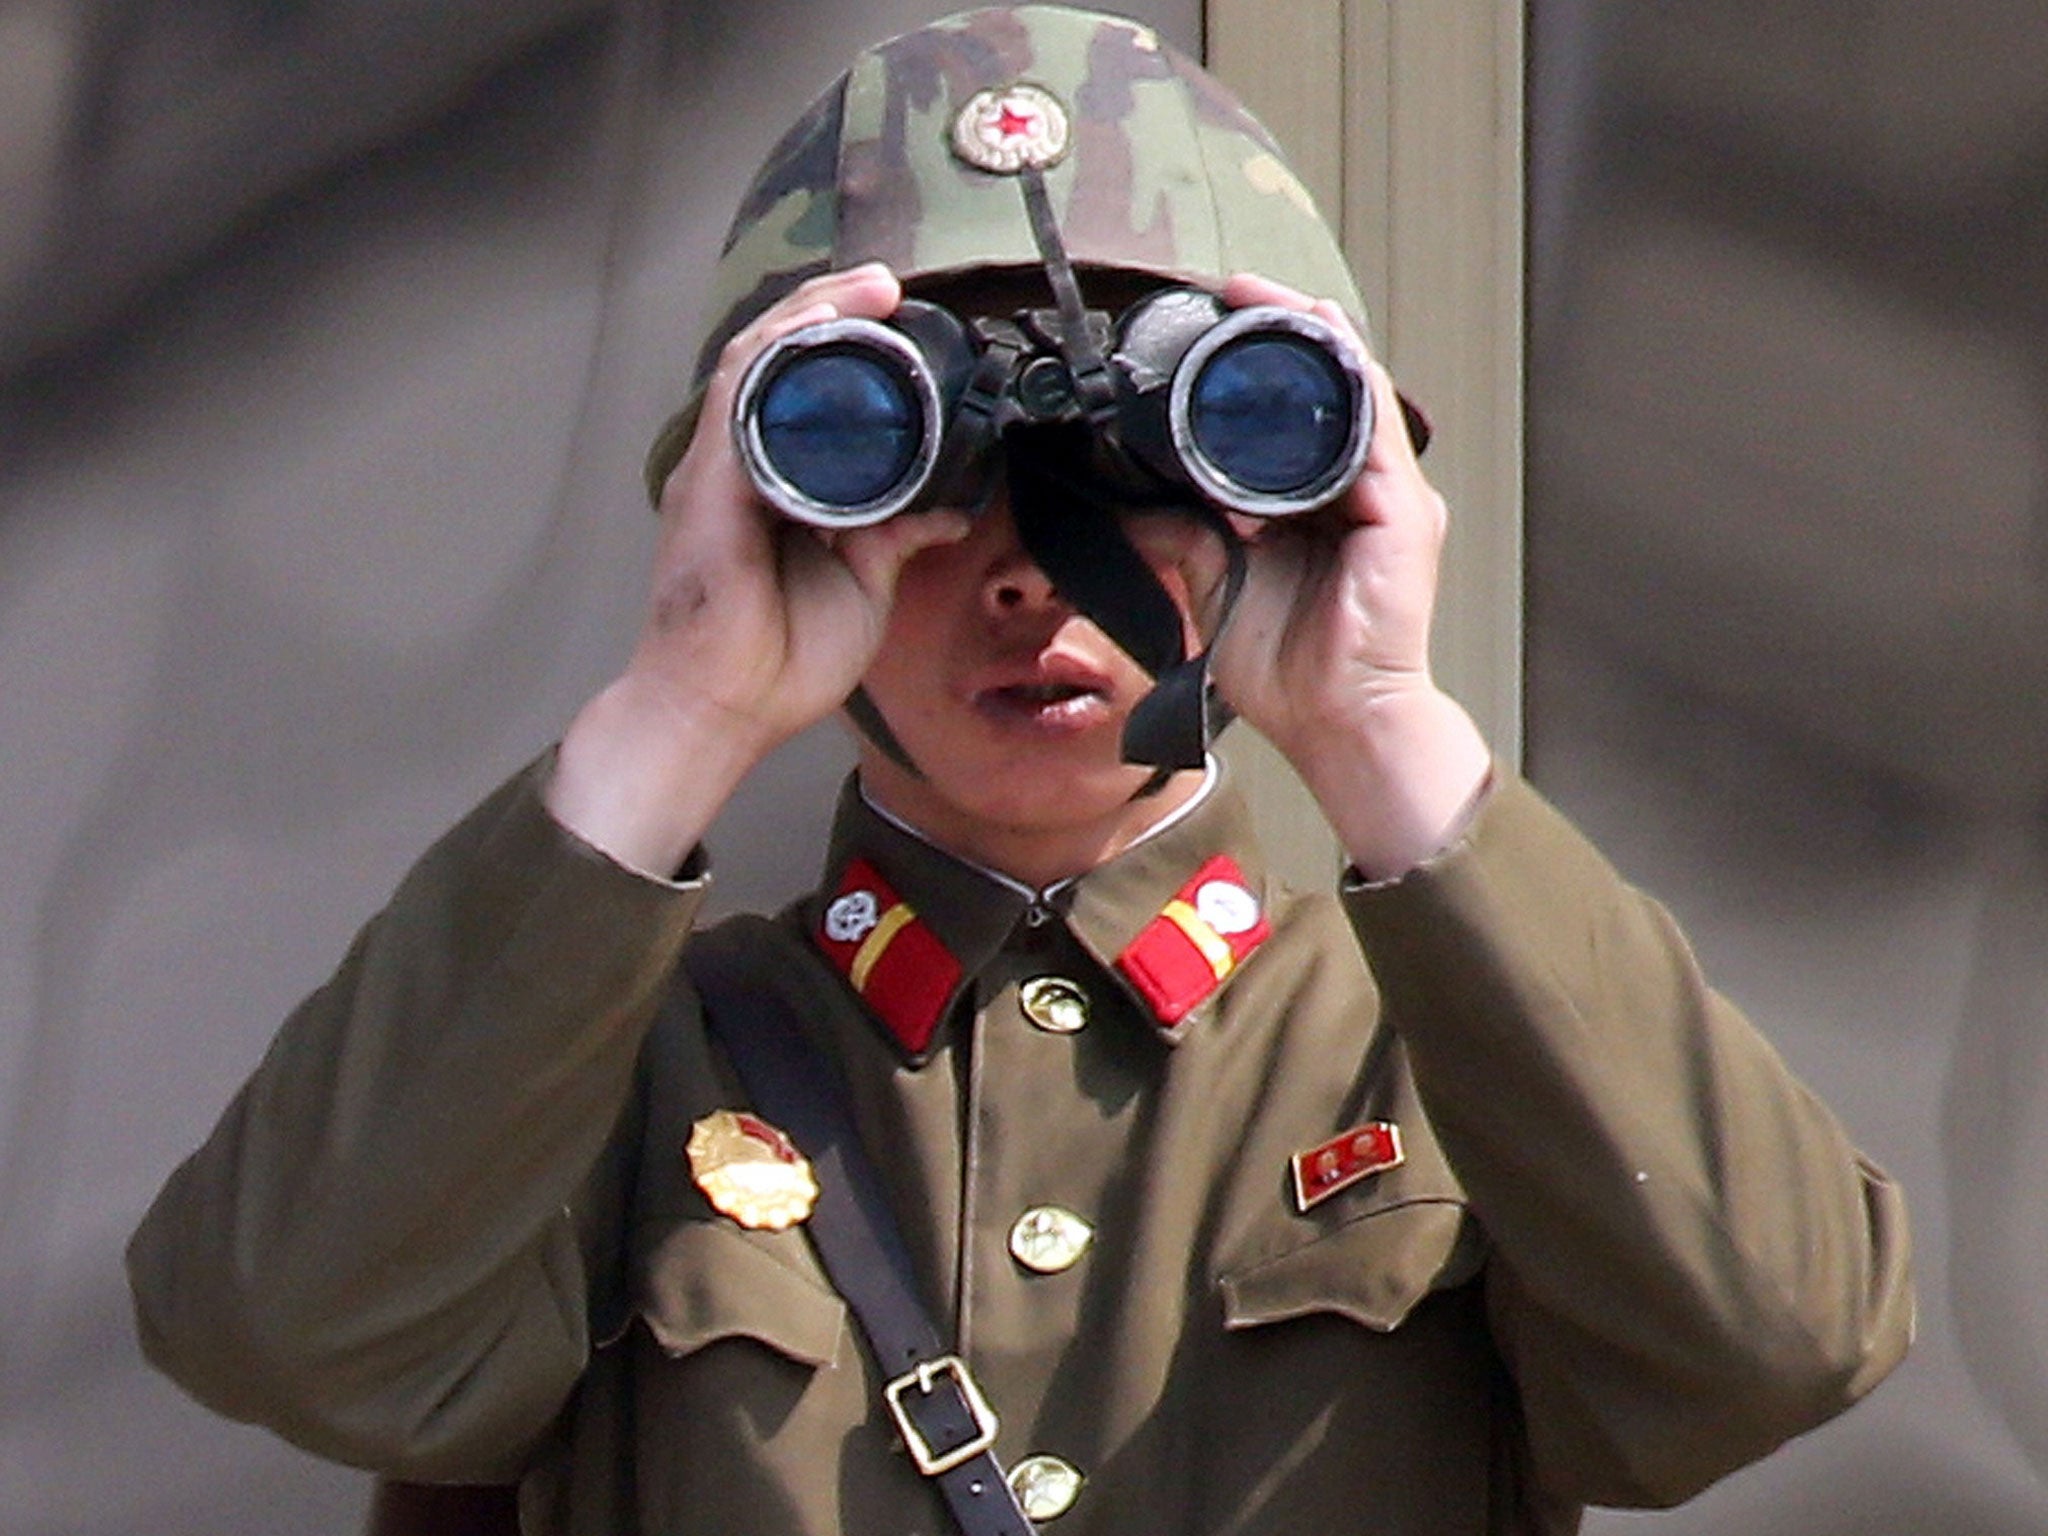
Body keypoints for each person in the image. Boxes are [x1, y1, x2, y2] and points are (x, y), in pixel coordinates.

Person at [126, 7, 1913, 1534]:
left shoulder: (1455, 1052)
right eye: (904, 463)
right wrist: (682, 706)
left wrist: (1379, 718)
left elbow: (1778, 1341)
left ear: (1301, 501)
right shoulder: (596, 1078)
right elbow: (275, 1326)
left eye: (1153, 460)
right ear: (759, 514)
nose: (1029, 572)